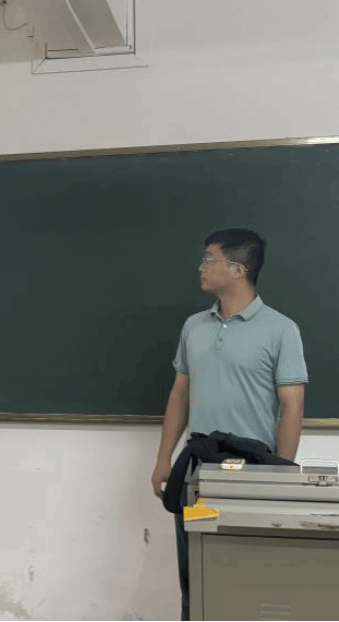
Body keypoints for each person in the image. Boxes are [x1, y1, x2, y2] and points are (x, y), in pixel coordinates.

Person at [150, 228, 307, 622]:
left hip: (251, 474)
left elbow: (292, 407)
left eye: (209, 259)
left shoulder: (280, 329)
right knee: (199, 569)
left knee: (247, 574)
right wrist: (164, 458)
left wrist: (281, 475)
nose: (201, 267)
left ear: (238, 269)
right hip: (201, 475)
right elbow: (180, 395)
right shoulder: (194, 326)